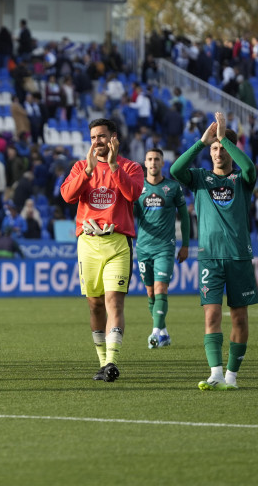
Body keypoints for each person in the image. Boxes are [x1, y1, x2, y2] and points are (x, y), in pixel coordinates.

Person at [170, 112, 258, 391]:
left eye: (223, 147)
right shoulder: (200, 178)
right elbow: (175, 171)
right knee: (211, 315)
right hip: (210, 256)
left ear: (231, 150)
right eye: (215, 148)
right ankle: (215, 373)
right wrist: (202, 142)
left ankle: (231, 376)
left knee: (240, 317)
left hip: (239, 257)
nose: (218, 152)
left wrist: (224, 137)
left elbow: (250, 166)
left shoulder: (242, 180)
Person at [60, 118, 143, 383]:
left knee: (113, 302)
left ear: (114, 138)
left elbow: (132, 194)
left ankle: (111, 362)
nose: (97, 142)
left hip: (118, 243)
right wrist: (87, 171)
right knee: (95, 305)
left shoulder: (131, 166)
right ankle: (101, 362)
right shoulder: (80, 167)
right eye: (94, 137)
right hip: (88, 243)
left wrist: (115, 166)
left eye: (102, 137)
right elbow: (67, 196)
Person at [133, 148, 189, 350]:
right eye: (149, 159)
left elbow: (184, 217)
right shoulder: (138, 189)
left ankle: (155, 333)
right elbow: (130, 215)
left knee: (160, 289)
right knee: (150, 293)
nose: (153, 162)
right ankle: (163, 332)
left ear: (162, 163)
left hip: (165, 247)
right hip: (144, 248)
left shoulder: (173, 187)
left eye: (157, 159)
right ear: (145, 163)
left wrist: (185, 245)